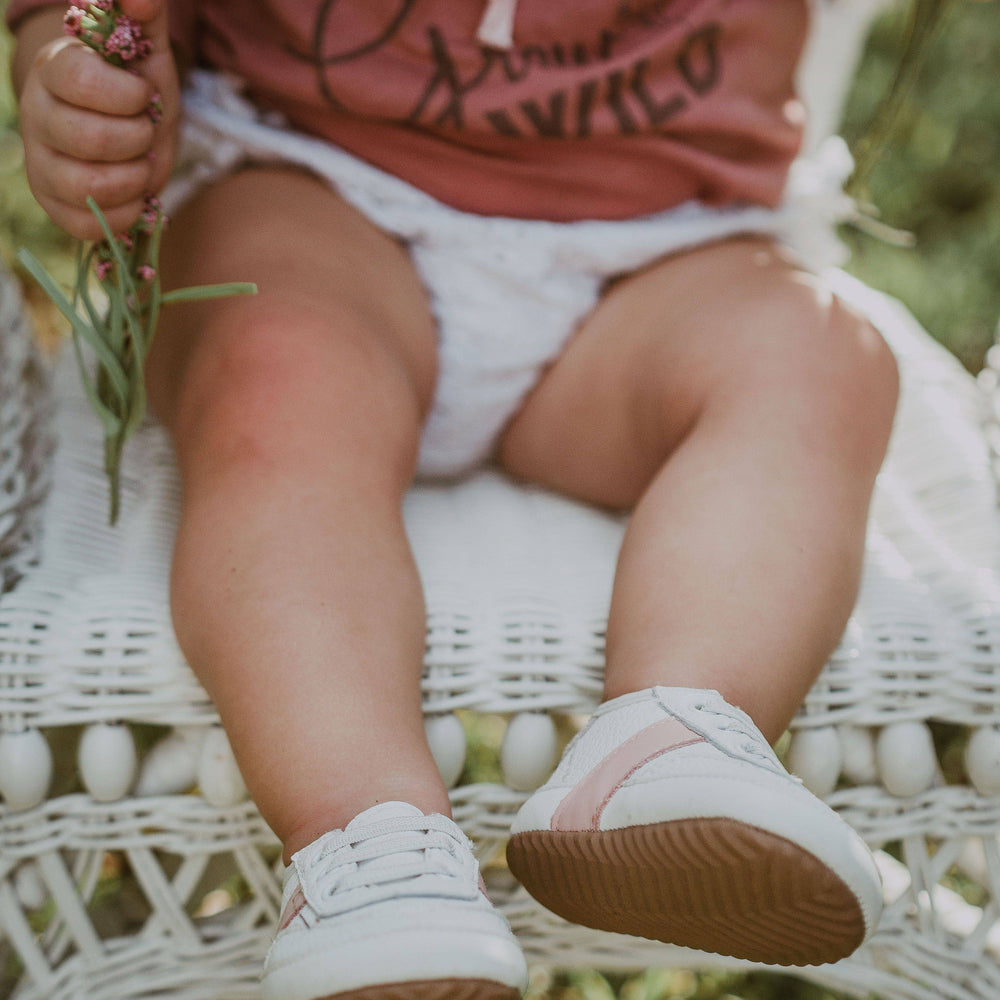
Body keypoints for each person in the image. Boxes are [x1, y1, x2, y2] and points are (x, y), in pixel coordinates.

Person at [9, 1, 922, 997]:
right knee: (274, 389)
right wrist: (78, 68)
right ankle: (371, 845)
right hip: (309, 192)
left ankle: (671, 738)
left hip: (667, 250)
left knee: (821, 357)